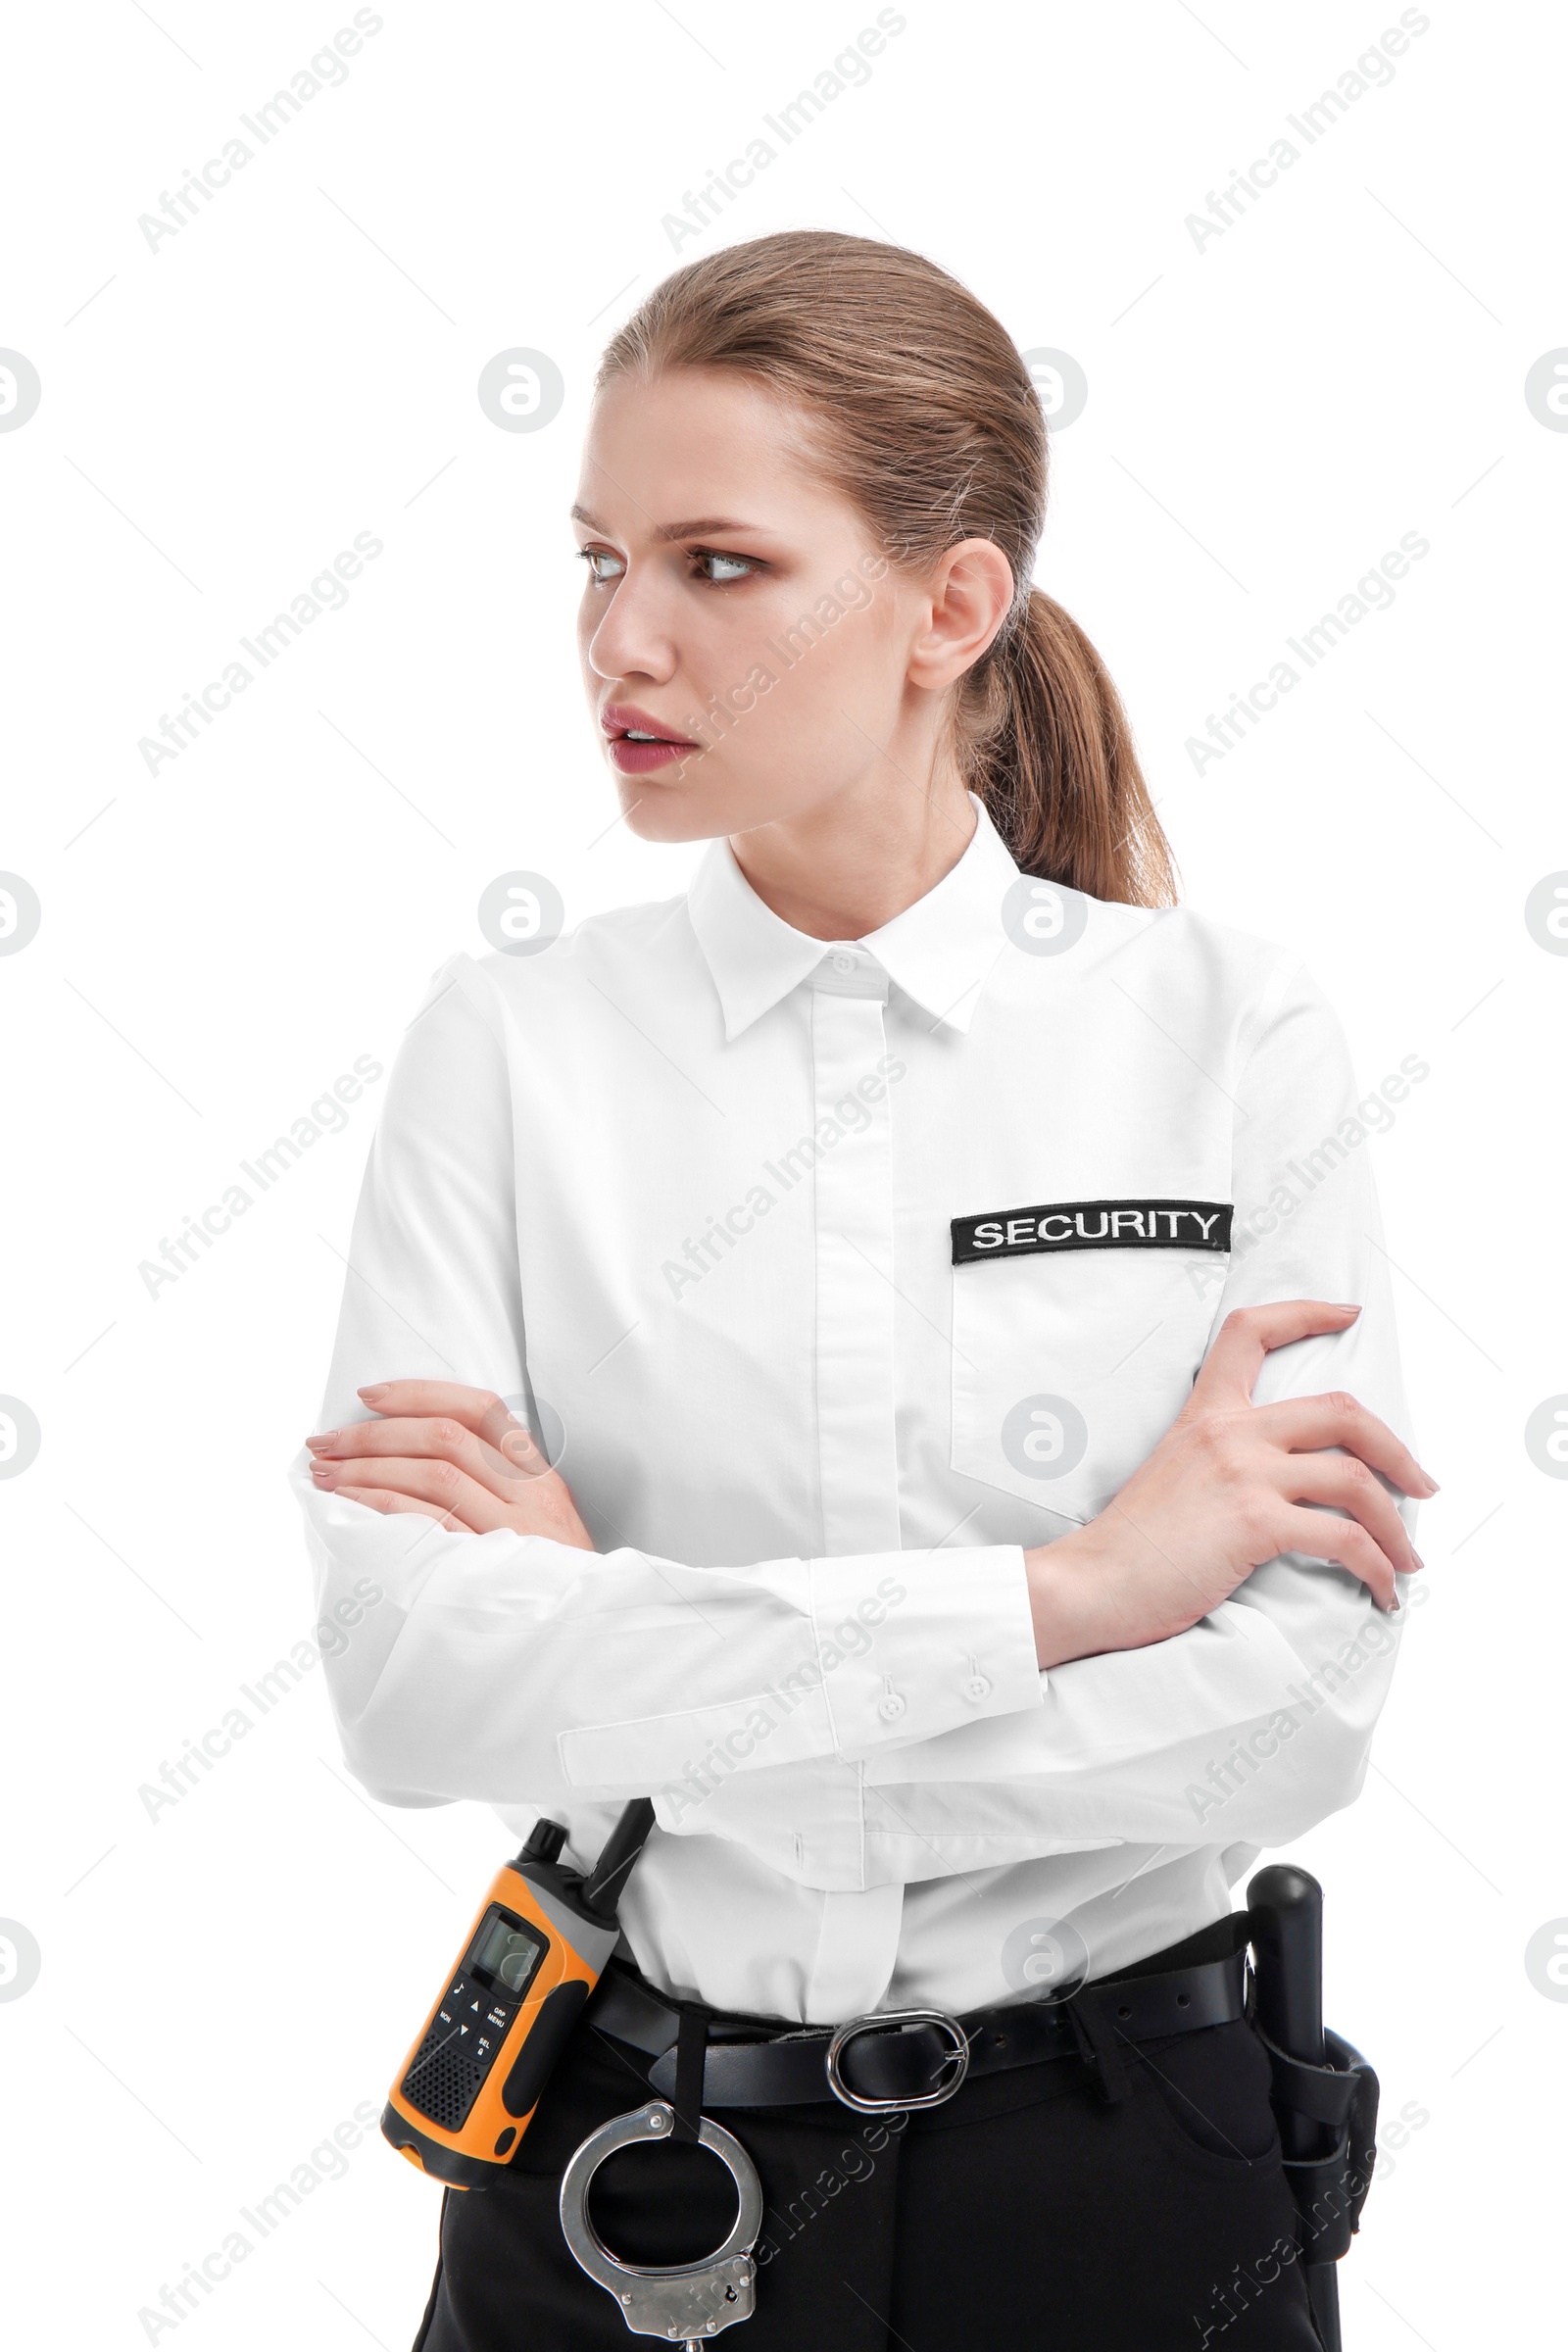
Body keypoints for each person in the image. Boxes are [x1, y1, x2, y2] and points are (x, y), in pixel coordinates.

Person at [295, 230, 1434, 2349]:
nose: (615, 636)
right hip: (617, 2175)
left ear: (951, 607)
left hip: (1130, 2184)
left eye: (713, 564)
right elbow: (410, 1687)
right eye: (593, 556)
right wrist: (1064, 1602)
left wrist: (624, 1658)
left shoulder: (1225, 1038)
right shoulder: (510, 1048)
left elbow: (1284, 1724)